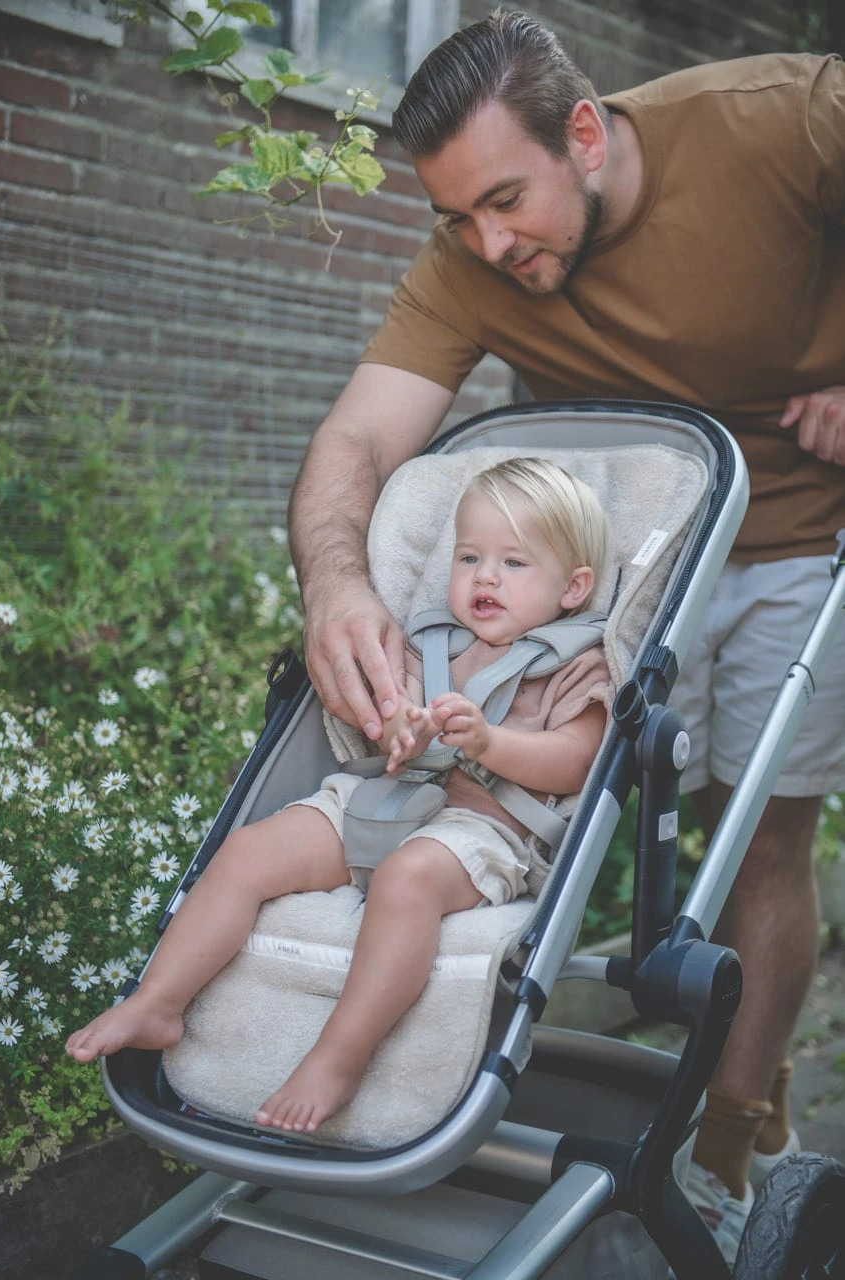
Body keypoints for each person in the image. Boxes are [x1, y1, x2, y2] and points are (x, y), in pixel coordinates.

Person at [287, 8, 845, 1264]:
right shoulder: (468, 254)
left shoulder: (786, 119)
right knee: (558, 827)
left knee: (761, 850)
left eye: (503, 200)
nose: (486, 243)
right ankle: (468, 1077)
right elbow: (359, 442)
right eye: (455, 217)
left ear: (583, 134)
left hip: (799, 540)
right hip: (617, 567)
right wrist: (336, 585)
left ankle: (728, 1143)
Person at [66, 458, 613, 1135]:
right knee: (250, 850)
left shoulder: (580, 664)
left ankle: (339, 1056)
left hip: (483, 832)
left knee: (407, 882)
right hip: (386, 796)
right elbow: (388, 725)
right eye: (469, 556)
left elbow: (578, 762)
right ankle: (159, 998)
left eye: (514, 562)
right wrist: (401, 726)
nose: (485, 576)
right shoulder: (430, 641)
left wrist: (492, 744)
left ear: (574, 587)